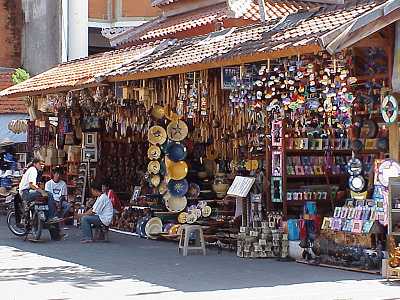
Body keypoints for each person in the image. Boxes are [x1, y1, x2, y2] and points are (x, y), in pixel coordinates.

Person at [19, 158, 60, 223]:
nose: (41, 166)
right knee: (49, 195)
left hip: (26, 192)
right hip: (25, 192)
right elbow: (31, 184)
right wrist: (41, 191)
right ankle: (51, 217)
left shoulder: (34, 170)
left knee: (44, 197)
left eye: (43, 164)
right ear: (35, 164)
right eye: (40, 164)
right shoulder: (33, 170)